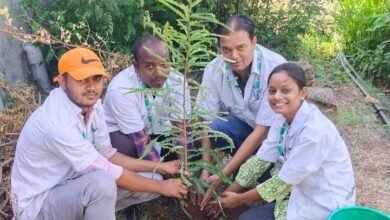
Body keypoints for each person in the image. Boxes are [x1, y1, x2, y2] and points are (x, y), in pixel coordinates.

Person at [11, 47, 188, 220]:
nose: (91, 87)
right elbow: (106, 170)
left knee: (151, 177)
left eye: (97, 79)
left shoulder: (94, 106)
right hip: (41, 205)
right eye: (82, 80)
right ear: (62, 82)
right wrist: (163, 186)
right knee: (102, 184)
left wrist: (160, 167)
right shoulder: (55, 122)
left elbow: (107, 155)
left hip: (74, 185)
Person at [213, 62, 355, 220]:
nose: (277, 97)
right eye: (272, 91)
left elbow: (282, 183)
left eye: (286, 90)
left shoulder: (314, 132)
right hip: (299, 189)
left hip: (322, 203)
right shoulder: (282, 119)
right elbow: (260, 161)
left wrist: (238, 199)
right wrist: (227, 195)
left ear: (303, 93)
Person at [196, 15, 286, 207]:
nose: (233, 56)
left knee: (275, 183)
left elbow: (263, 131)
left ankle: (246, 174)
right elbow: (205, 122)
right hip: (242, 130)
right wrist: (205, 170)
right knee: (215, 126)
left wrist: (223, 175)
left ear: (254, 42)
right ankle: (241, 170)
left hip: (271, 138)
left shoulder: (275, 68)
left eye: (240, 48)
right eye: (226, 49)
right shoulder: (214, 69)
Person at [104, 35, 191, 162]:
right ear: (135, 65)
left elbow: (181, 130)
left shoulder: (178, 82)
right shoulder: (121, 90)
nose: (159, 73)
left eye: (164, 64)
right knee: (127, 147)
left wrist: (185, 170)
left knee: (193, 141)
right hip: (127, 134)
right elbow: (141, 142)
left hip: (158, 131)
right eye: (150, 66)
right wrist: (165, 175)